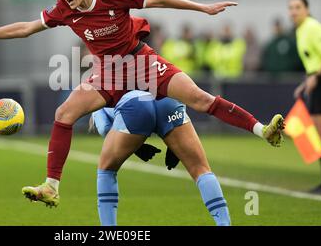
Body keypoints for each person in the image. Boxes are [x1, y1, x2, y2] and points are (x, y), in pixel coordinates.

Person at [0, 0, 285, 207]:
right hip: (108, 72)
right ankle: (51, 186)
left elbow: (161, 0)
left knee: (199, 98)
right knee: (65, 112)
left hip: (141, 62)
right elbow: (25, 28)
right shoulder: (63, 11)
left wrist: (204, 8)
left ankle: (262, 131)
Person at [90, 90, 231, 226]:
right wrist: (174, 147)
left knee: (106, 170)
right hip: (168, 101)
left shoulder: (98, 98)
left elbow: (104, 128)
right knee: (200, 169)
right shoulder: (148, 71)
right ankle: (224, 223)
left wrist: (137, 148)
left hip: (135, 106)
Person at [289, 0, 321, 194]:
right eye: (291, 8)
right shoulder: (301, 30)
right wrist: (306, 82)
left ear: (307, 9)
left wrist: (317, 78)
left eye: (298, 7)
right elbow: (314, 60)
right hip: (317, 81)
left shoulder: (313, 27)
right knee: (319, 134)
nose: (293, 12)